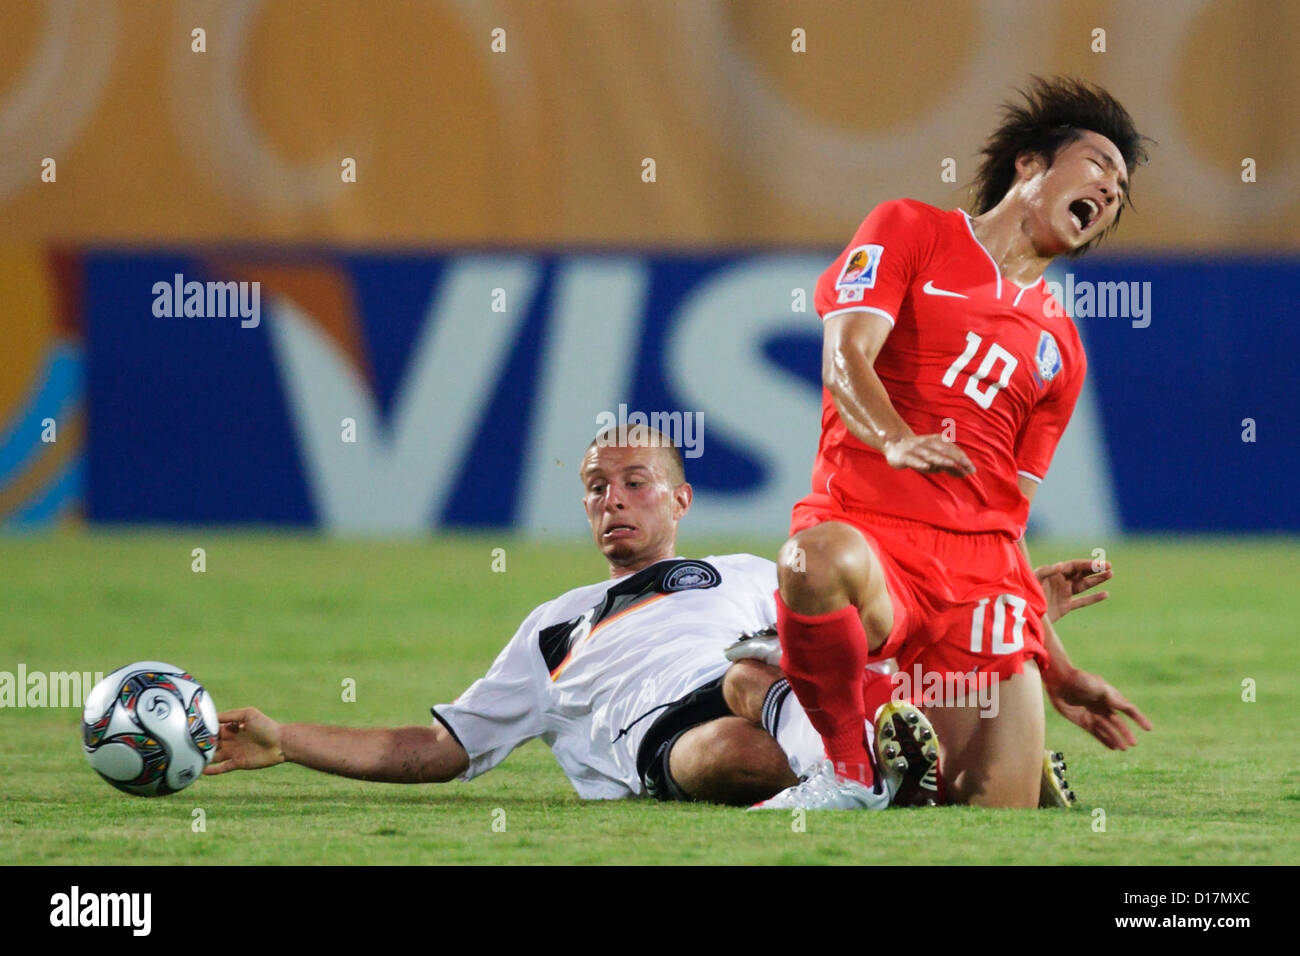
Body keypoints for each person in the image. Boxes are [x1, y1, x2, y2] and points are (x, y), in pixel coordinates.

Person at [205, 429, 1107, 807]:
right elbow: (435, 748)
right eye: (596, 487)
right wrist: (290, 740)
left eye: (635, 483)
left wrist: (1028, 611)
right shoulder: (555, 626)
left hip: (769, 683)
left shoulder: (754, 572)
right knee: (730, 750)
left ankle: (868, 785)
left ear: (680, 498)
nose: (612, 500)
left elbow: (883, 630)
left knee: (766, 675)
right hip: (661, 738)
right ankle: (918, 781)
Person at [760, 76, 1153, 811]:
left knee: (978, 807)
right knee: (810, 561)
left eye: (1121, 190)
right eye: (1099, 164)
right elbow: (844, 355)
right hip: (873, 540)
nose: (1110, 191)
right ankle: (843, 772)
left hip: (980, 581)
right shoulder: (909, 229)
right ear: (1030, 164)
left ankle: (971, 752)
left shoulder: (1061, 350)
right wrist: (896, 440)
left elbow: (1009, 515)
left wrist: (1053, 655)